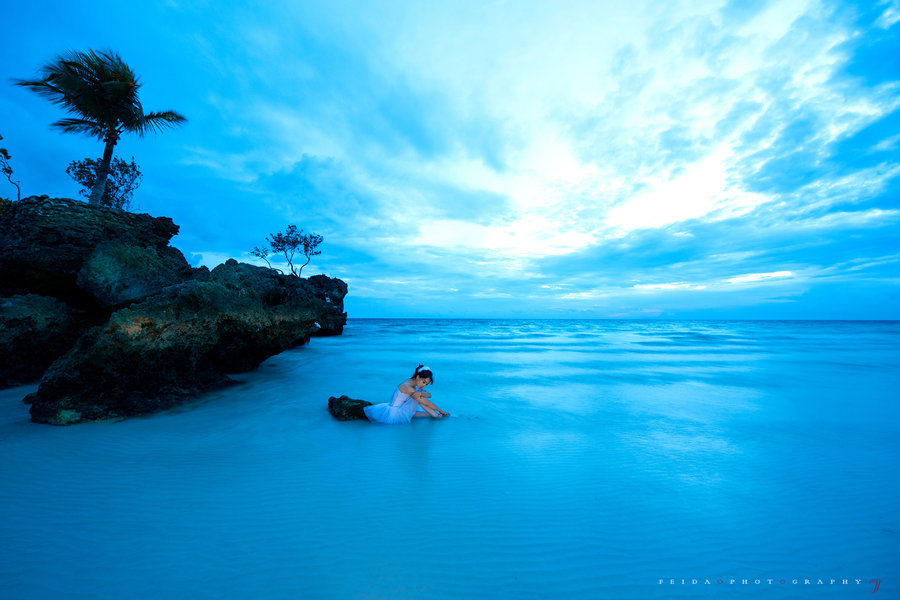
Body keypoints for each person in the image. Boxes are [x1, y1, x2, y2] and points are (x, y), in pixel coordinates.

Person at [364, 365, 450, 424]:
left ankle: (433, 415)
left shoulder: (414, 383)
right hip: (395, 413)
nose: (424, 385)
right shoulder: (409, 387)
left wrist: (423, 393)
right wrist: (440, 410)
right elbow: (425, 401)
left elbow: (429, 395)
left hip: (400, 407)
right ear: (418, 377)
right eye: (423, 382)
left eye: (426, 384)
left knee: (418, 397)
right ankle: (435, 415)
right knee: (418, 399)